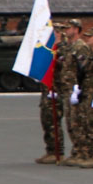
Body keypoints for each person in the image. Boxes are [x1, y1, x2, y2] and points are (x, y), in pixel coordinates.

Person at [63, 22, 93, 168]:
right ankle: (86, 154)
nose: (87, 39)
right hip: (86, 94)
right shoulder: (91, 56)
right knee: (86, 124)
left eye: (90, 37)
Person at [36, 16, 73, 165]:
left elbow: (65, 69)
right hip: (48, 89)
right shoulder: (49, 48)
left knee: (54, 121)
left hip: (57, 89)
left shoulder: (63, 49)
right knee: (47, 119)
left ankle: (58, 152)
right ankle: (51, 150)